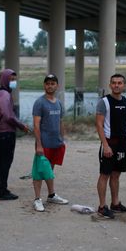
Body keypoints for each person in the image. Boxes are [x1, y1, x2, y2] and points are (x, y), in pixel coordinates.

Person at [95, 73, 126, 219]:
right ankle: (101, 207)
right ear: (110, 85)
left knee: (116, 175)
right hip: (109, 144)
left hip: (123, 144)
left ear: (124, 85)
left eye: (119, 83)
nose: (116, 85)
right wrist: (105, 146)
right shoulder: (104, 102)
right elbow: (99, 125)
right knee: (104, 175)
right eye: (114, 83)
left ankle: (115, 203)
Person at [31, 73, 69, 212]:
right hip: (44, 144)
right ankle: (37, 199)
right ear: (44, 85)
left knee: (50, 170)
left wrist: (62, 139)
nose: (50, 85)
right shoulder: (40, 102)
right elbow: (36, 125)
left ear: (57, 86)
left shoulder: (59, 103)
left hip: (56, 143)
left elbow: (60, 122)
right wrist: (39, 144)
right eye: (48, 83)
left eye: (53, 83)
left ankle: (51, 195)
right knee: (39, 171)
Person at [0, 68, 31, 200]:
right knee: (5, 161)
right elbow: (8, 116)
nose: (14, 82)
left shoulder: (0, 92)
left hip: (2, 132)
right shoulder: (4, 95)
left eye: (15, 79)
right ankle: (3, 191)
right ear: (5, 80)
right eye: (11, 79)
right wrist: (21, 125)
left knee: (0, 159)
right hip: (6, 132)